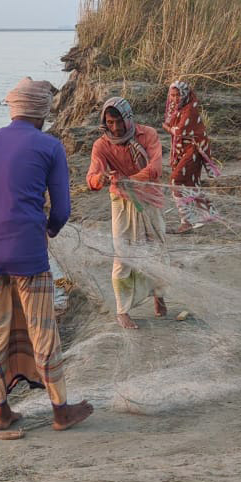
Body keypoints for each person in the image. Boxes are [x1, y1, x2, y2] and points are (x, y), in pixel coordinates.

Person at [0, 77, 93, 433]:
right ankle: (60, 411)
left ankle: (2, 412)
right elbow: (62, 210)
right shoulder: (49, 147)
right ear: (42, 112)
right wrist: (45, 231)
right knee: (43, 331)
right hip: (30, 257)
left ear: (14, 109)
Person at [86, 96, 168, 329]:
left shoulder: (148, 135)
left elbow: (155, 169)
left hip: (150, 199)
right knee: (123, 254)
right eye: (110, 123)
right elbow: (91, 177)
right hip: (121, 201)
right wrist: (99, 179)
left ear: (128, 117)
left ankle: (158, 296)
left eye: (119, 121)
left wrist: (130, 180)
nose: (115, 127)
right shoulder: (101, 145)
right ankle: (123, 311)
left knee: (158, 248)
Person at [163, 80, 220, 232]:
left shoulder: (190, 110)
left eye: (177, 95)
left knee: (175, 180)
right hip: (186, 150)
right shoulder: (179, 109)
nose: (174, 99)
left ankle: (187, 221)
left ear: (184, 95)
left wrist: (168, 128)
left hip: (193, 150)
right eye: (172, 95)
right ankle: (209, 214)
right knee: (190, 183)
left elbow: (180, 131)